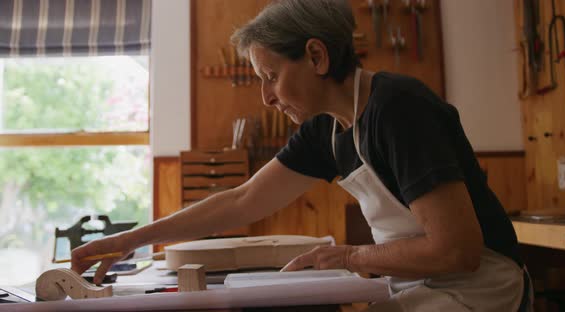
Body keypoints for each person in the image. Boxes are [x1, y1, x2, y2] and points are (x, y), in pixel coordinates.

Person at [72, 0, 532, 310]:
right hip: (416, 284)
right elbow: (241, 200)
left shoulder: (399, 108)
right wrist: (127, 241)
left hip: (480, 289)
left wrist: (351, 256)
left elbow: (457, 251)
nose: (266, 98)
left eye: (270, 76)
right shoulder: (327, 129)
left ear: (316, 57)